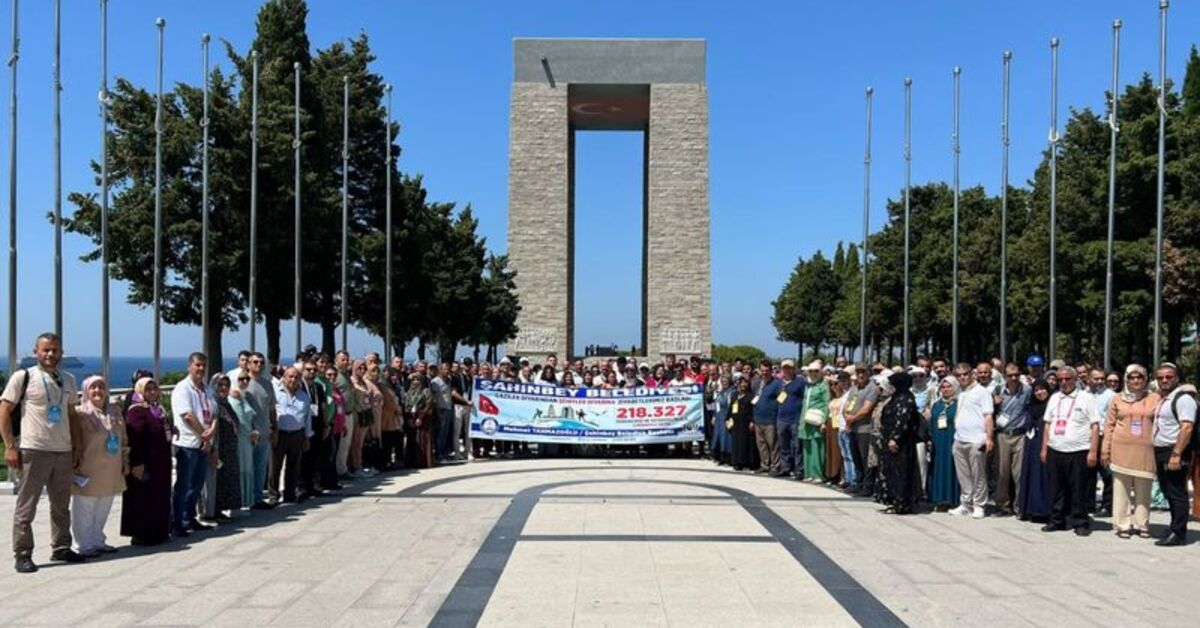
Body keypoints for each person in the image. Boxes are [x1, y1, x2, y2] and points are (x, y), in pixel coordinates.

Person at [0, 333, 86, 572]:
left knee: (61, 504)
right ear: (36, 351)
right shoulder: (24, 377)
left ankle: (61, 547)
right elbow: (5, 410)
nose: (50, 354)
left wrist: (77, 446)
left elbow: (72, 415)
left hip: (63, 450)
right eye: (46, 350)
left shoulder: (68, 379)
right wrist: (10, 446)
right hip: (34, 450)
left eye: (55, 350)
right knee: (27, 505)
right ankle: (23, 553)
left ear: (61, 353)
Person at [1040, 366, 1100, 536]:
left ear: (1075, 380)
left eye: (1067, 379)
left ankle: (1080, 521)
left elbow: (1095, 426)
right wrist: (1044, 448)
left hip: (1078, 450)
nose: (1064, 383)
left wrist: (1093, 451)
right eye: (1060, 380)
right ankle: (1057, 520)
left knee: (1078, 488)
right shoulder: (1054, 398)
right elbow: (1047, 425)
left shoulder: (1086, 398)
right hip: (1055, 449)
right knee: (1056, 488)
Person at [71, 375, 127, 557]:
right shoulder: (80, 413)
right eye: (93, 387)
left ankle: (97, 540)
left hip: (111, 468)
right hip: (88, 467)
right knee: (85, 507)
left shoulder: (115, 412)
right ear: (86, 391)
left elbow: (123, 439)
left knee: (104, 505)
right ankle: (83, 544)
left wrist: (126, 461)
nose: (97, 391)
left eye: (101, 387)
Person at [1101, 364, 1158, 539]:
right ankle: (1123, 525)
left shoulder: (1155, 398)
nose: (1135, 381)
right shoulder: (1117, 399)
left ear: (1145, 379)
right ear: (1126, 379)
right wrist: (1105, 449)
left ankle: (1142, 524)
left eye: (1139, 377)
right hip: (1120, 450)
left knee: (1143, 491)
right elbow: (1109, 425)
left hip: (1145, 451)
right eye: (1132, 377)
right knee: (1121, 490)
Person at [121, 377, 172, 546]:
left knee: (159, 497)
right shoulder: (136, 411)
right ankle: (142, 533)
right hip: (145, 462)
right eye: (147, 389)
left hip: (160, 462)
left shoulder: (157, 409)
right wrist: (136, 463)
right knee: (143, 498)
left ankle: (159, 531)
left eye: (154, 388)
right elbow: (134, 438)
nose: (152, 392)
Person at [170, 352, 216, 538]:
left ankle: (190, 517)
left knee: (197, 484)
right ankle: (177, 521)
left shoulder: (207, 389)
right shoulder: (183, 389)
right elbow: (187, 415)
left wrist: (210, 433)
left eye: (204, 365)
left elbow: (214, 413)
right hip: (187, 443)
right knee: (183, 485)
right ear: (189, 366)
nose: (201, 369)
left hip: (203, 443)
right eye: (197, 365)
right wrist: (205, 437)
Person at [1151, 362, 1195, 546]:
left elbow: (1187, 427)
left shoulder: (1183, 399)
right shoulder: (1164, 398)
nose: (1164, 380)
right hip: (1161, 450)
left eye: (1169, 377)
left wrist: (1177, 454)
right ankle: (1174, 525)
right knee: (1168, 490)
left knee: (1177, 492)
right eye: (1161, 377)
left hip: (1174, 450)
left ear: (1177, 378)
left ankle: (1179, 533)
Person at [950, 363, 994, 519]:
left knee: (978, 474)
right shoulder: (960, 393)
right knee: (963, 475)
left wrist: (988, 438)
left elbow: (988, 416)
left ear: (972, 374)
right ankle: (965, 504)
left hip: (976, 439)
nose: (962, 377)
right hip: (959, 438)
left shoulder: (982, 392)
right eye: (958, 375)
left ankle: (979, 505)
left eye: (965, 374)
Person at [878, 372, 921, 514]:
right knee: (892, 471)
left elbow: (903, 420)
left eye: (892, 384)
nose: (890, 386)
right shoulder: (895, 398)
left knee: (902, 472)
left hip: (901, 444)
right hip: (889, 440)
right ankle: (894, 500)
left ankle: (902, 502)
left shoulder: (906, 399)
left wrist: (894, 438)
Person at [994, 362, 1032, 516]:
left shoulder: (1027, 391)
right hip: (1003, 434)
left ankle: (1019, 506)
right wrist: (994, 403)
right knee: (1002, 473)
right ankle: (1003, 506)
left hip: (1020, 435)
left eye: (1016, 374)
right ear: (1005, 376)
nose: (1014, 377)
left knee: (1019, 473)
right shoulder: (998, 390)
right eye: (1010, 375)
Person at [271, 367, 312, 504]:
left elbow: (307, 418)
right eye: (290, 376)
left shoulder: (304, 396)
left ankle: (289, 494)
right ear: (284, 377)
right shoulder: (276, 392)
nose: (293, 380)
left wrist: (307, 436)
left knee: (293, 465)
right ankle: (273, 494)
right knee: (275, 465)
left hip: (297, 434)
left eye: (296, 377)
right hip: (280, 433)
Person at [1017, 381, 1053, 522]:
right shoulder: (1031, 406)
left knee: (1044, 477)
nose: (1039, 392)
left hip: (1047, 443)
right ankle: (1030, 509)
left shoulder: (1053, 405)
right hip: (1032, 444)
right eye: (1036, 390)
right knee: (1031, 475)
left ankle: (1044, 510)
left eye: (1042, 389)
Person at [208, 374, 244, 515]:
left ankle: (222, 509)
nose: (223, 388)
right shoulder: (213, 403)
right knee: (218, 480)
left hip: (229, 449)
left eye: (226, 385)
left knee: (227, 479)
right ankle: (215, 510)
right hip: (219, 448)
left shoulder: (226, 403)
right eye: (220, 385)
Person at [844, 365, 880, 495]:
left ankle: (868, 486)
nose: (860, 375)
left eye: (863, 372)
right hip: (853, 429)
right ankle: (858, 483)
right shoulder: (854, 388)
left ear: (868, 373)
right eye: (858, 372)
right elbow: (846, 406)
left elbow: (866, 409)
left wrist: (851, 419)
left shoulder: (872, 388)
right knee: (856, 457)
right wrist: (846, 416)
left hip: (865, 429)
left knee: (866, 459)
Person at [927, 376, 960, 511]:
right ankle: (939, 499)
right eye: (943, 387)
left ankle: (953, 499)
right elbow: (931, 423)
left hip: (952, 440)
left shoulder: (959, 404)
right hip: (938, 442)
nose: (946, 390)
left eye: (949, 387)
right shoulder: (937, 404)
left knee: (952, 469)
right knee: (938, 469)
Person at [227, 371, 260, 510]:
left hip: (247, 440)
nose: (245, 381)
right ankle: (238, 501)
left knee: (247, 468)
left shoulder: (243, 397)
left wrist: (254, 432)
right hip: (239, 440)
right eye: (241, 379)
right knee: (240, 469)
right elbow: (238, 421)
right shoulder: (232, 398)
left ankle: (246, 500)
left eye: (247, 378)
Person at [1089, 367, 1116, 516]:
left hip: (1103, 437)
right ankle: (1088, 504)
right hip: (1085, 438)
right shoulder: (1083, 394)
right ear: (1089, 379)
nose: (1099, 381)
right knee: (1088, 474)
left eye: (1101, 378)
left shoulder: (1111, 395)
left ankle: (1107, 505)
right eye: (1096, 378)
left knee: (1107, 474)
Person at [773, 359, 806, 477]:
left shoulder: (800, 382)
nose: (787, 370)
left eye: (789, 368)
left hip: (795, 419)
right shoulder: (779, 383)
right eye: (785, 368)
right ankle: (785, 467)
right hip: (781, 418)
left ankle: (799, 469)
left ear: (794, 369)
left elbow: (804, 398)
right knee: (783, 446)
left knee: (797, 446)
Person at [798, 361, 827, 482]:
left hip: (817, 421)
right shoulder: (807, 386)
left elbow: (826, 404)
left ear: (820, 373)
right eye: (810, 371)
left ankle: (818, 474)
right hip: (805, 420)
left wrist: (824, 421)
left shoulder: (823, 386)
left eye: (816, 371)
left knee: (817, 447)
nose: (813, 373)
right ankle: (808, 473)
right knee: (807, 447)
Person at [752, 361, 781, 475]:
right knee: (761, 445)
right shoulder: (757, 383)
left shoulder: (777, 384)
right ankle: (764, 464)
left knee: (773, 445)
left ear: (771, 371)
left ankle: (775, 466)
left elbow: (781, 399)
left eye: (766, 371)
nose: (764, 373)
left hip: (771, 420)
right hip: (758, 419)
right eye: (762, 370)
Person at [404, 373, 435, 469]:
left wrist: (420, 417)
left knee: (422, 439)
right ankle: (412, 462)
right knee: (412, 439)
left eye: (417, 380)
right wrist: (408, 418)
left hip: (423, 418)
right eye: (413, 380)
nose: (415, 382)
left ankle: (423, 462)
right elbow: (406, 406)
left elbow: (428, 405)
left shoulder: (426, 391)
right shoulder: (409, 392)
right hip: (412, 417)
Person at [729, 377, 757, 471]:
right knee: (737, 443)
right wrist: (728, 419)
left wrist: (753, 421)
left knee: (747, 443)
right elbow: (730, 409)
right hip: (736, 424)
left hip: (746, 424)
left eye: (745, 383)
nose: (743, 385)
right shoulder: (734, 396)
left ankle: (748, 463)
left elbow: (754, 409)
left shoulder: (751, 396)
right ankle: (737, 462)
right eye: (741, 383)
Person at [824, 373, 847, 485]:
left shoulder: (844, 397)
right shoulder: (832, 398)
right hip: (830, 424)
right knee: (830, 451)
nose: (833, 386)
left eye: (835, 383)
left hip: (839, 425)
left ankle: (839, 476)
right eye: (831, 384)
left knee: (839, 452)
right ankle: (831, 474)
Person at [710, 374, 733, 465]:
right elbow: (716, 405)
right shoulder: (720, 392)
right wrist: (714, 416)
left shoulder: (731, 392)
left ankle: (728, 458)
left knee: (727, 438)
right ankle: (720, 457)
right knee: (718, 438)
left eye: (726, 381)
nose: (724, 383)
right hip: (719, 417)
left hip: (727, 417)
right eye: (722, 381)